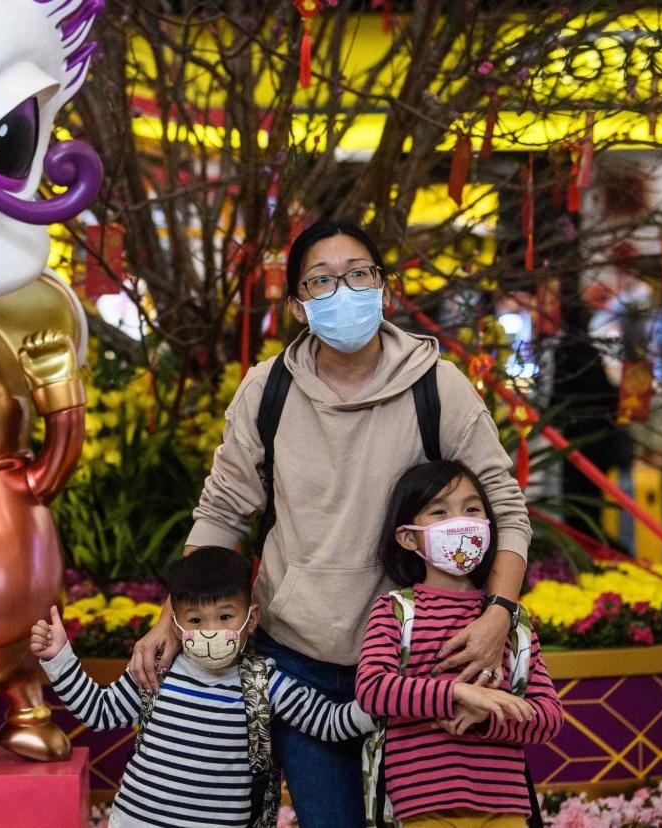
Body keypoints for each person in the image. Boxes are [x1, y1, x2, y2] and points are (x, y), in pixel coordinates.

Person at [129, 220, 532, 826]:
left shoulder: (438, 387)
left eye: (359, 274)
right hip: (299, 660)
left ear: (385, 290)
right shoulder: (267, 391)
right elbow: (220, 513)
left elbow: (505, 506)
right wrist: (168, 618)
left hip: (415, 662)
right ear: (297, 305)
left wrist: (499, 615)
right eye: (321, 281)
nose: (343, 290)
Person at [31, 547, 377, 828]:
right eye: (196, 620)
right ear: (177, 624)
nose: (210, 631)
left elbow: (329, 723)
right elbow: (99, 712)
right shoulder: (158, 671)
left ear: (250, 618)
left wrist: (382, 699)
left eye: (225, 617)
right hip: (136, 821)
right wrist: (59, 656)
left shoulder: (265, 683)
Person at [356, 460, 563, 827]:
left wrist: (487, 716)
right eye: (439, 511)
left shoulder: (510, 622)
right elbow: (372, 690)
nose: (460, 521)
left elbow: (547, 718)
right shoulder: (396, 611)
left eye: (471, 509)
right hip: (423, 808)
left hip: (505, 807)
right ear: (407, 537)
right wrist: (459, 694)